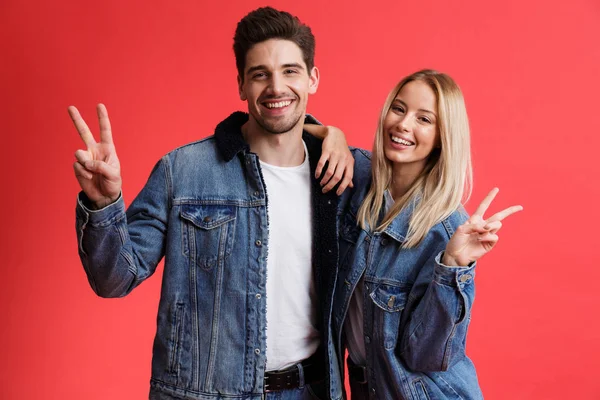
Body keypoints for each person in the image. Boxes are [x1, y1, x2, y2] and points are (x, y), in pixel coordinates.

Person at [69, 7, 354, 400]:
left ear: (312, 78)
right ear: (241, 84)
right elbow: (114, 279)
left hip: (312, 391)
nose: (276, 87)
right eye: (260, 74)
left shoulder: (341, 175)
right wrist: (103, 204)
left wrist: (332, 133)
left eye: (290, 71)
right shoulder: (183, 172)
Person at [307, 69, 522, 399]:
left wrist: (452, 264)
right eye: (398, 108)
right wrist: (331, 133)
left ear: (442, 136)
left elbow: (425, 356)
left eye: (424, 119)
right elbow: (286, 130)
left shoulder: (447, 228)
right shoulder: (357, 179)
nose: (404, 125)